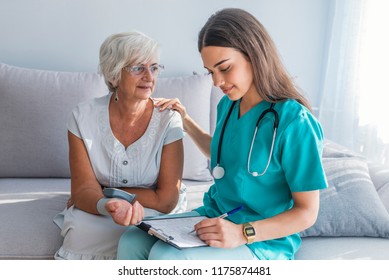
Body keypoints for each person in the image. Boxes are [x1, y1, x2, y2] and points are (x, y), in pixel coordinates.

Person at [117, 8, 328, 260]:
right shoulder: (228, 105)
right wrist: (185, 121)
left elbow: (307, 212)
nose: (216, 82)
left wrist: (242, 232)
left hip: (260, 239)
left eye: (224, 68)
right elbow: (223, 153)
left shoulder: (295, 121)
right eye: (210, 72)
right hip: (216, 215)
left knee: (168, 258)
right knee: (132, 240)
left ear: (254, 55)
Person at [53, 31, 186, 260]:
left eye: (154, 68)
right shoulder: (82, 116)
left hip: (154, 212)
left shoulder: (168, 119)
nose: (149, 76)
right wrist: (107, 204)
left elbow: (165, 200)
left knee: (145, 236)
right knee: (80, 235)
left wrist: (103, 190)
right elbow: (83, 191)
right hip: (103, 207)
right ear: (114, 75)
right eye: (137, 68)